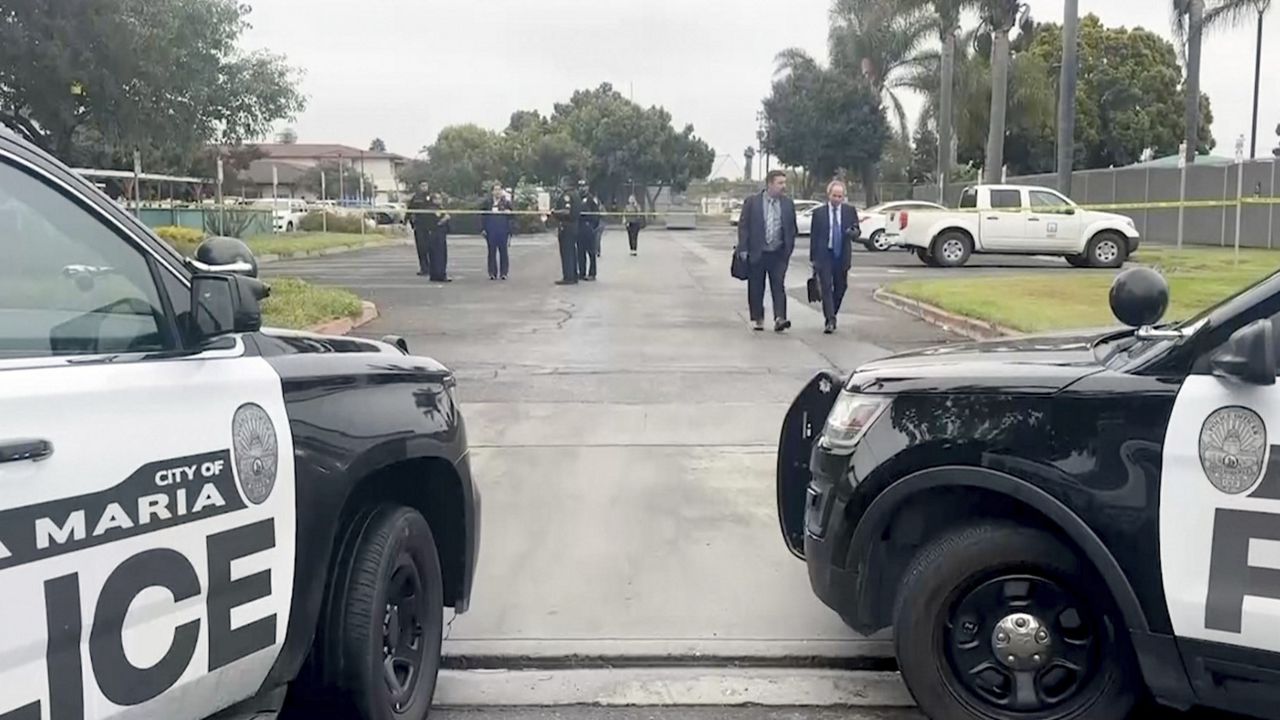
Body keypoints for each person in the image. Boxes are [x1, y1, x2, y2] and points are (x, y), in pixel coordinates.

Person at [735, 170, 798, 332]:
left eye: (784, 183)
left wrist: (788, 249)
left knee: (778, 285)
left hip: (778, 253)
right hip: (757, 251)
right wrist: (743, 248)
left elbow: (791, 228)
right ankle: (757, 318)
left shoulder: (787, 204)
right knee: (756, 287)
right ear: (770, 184)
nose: (784, 186)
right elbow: (744, 226)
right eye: (780, 183)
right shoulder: (752, 202)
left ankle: (780, 318)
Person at [809, 180, 859, 334]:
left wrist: (853, 232)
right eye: (834, 196)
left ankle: (833, 313)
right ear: (828, 195)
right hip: (825, 254)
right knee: (826, 287)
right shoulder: (819, 213)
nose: (837, 199)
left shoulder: (849, 211)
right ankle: (829, 319)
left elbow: (857, 230)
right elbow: (814, 236)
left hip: (841, 255)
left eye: (840, 196)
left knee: (841, 287)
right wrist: (813, 259)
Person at [551, 181, 581, 285]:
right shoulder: (576, 194)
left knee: (566, 252)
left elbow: (567, 211)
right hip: (574, 226)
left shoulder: (567, 195)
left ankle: (568, 277)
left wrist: (554, 212)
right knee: (572, 251)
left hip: (566, 226)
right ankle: (573, 274)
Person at [481, 184, 513, 280]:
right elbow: (482, 216)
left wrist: (509, 213)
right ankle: (492, 273)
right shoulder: (487, 203)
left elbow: (513, 217)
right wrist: (482, 229)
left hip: (502, 231)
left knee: (503, 252)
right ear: (492, 192)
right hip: (491, 231)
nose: (497, 192)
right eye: (495, 190)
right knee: (491, 252)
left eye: (499, 190)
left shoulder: (506, 203)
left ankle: (504, 273)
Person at [407, 181, 433, 276]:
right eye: (422, 185)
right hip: (419, 226)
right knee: (421, 248)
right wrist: (408, 221)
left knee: (430, 247)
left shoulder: (431, 197)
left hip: (430, 226)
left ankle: (432, 267)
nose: (424, 187)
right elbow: (409, 210)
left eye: (426, 185)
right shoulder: (416, 198)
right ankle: (424, 268)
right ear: (419, 187)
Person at [425, 192, 451, 282]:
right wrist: (445, 218)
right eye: (438, 198)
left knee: (440, 254)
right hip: (436, 234)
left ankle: (437, 274)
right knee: (438, 255)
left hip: (441, 234)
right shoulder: (432, 209)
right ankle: (439, 275)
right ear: (433, 200)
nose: (440, 200)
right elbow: (437, 223)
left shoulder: (440, 208)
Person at [576, 181, 599, 280]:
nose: (582, 188)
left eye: (584, 186)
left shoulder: (591, 199)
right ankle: (582, 273)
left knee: (591, 252)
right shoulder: (577, 198)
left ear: (588, 187)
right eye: (580, 186)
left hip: (588, 227)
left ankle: (592, 273)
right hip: (579, 227)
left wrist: (593, 226)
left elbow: (596, 214)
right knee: (580, 252)